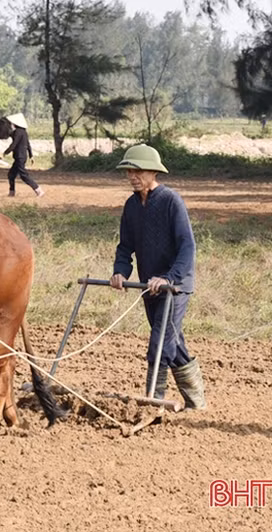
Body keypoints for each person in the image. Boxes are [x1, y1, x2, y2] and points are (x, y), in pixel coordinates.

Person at [109, 143, 205, 409]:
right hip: (148, 286)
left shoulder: (171, 201)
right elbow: (125, 245)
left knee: (160, 342)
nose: (132, 176)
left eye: (138, 171)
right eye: (129, 171)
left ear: (153, 173)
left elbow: (187, 246)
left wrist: (169, 278)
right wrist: (120, 271)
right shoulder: (131, 205)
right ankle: (196, 401)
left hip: (175, 287)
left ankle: (155, 401)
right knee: (172, 341)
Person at [3, 113, 43, 197]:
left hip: (20, 157)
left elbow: (14, 144)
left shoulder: (18, 132)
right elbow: (28, 145)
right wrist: (31, 156)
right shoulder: (23, 132)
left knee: (24, 175)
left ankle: (38, 190)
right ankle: (12, 192)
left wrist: (6, 152)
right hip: (21, 157)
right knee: (11, 174)